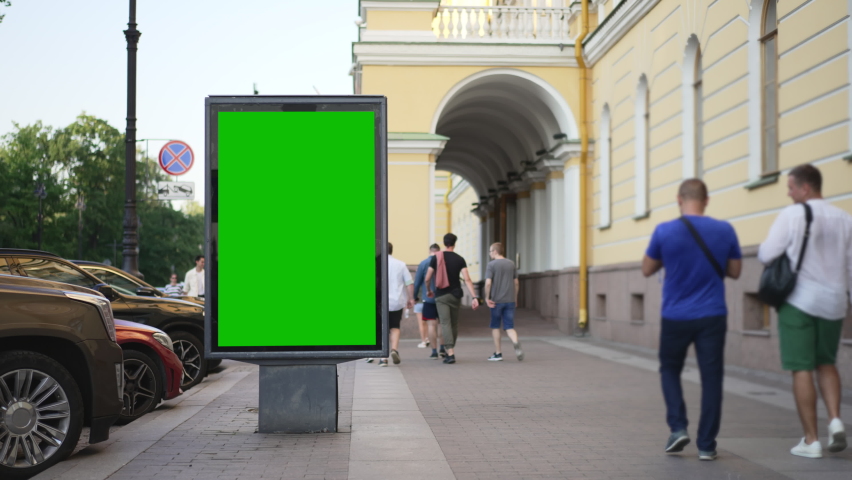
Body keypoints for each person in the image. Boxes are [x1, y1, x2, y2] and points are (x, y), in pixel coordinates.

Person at [642, 179, 742, 461]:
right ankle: (707, 444)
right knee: (712, 378)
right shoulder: (725, 230)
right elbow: (735, 271)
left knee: (670, 369)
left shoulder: (665, 230)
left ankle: (678, 427)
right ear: (706, 200)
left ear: (679, 199)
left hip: (675, 315)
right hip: (712, 314)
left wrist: (670, 259)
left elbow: (647, 268)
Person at [758, 164, 850, 458]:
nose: (788, 193)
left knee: (801, 367)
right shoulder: (845, 219)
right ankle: (835, 420)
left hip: (799, 301)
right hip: (835, 302)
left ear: (805, 188)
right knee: (827, 363)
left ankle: (811, 441)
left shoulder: (793, 214)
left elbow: (766, 253)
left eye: (791, 187)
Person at [425, 233, 480, 364]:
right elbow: (467, 279)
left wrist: (428, 290)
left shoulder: (436, 258)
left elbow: (427, 277)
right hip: (456, 295)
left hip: (441, 295)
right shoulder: (460, 259)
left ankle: (450, 353)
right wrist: (474, 296)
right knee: (454, 324)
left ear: (444, 243)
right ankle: (450, 348)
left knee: (445, 323)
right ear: (455, 243)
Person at [484, 242, 523, 362]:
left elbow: (488, 283)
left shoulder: (491, 265)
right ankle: (516, 342)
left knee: (495, 326)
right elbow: (516, 283)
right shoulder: (511, 264)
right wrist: (515, 297)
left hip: (496, 301)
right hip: (510, 300)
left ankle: (498, 353)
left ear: (495, 251)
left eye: (490, 251)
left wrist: (487, 297)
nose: (490, 253)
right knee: (509, 327)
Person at [380, 242, 414, 367]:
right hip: (396, 302)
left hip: (380, 303)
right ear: (391, 250)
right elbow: (409, 283)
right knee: (394, 327)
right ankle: (394, 350)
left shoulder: (376, 263)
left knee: (382, 329)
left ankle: (383, 358)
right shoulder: (400, 264)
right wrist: (411, 299)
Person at [414, 244, 446, 359]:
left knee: (432, 325)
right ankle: (442, 348)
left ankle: (434, 351)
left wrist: (414, 297)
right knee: (442, 324)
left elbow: (417, 282)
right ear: (439, 251)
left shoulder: (423, 263)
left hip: (428, 299)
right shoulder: (443, 262)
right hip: (442, 297)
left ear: (429, 251)